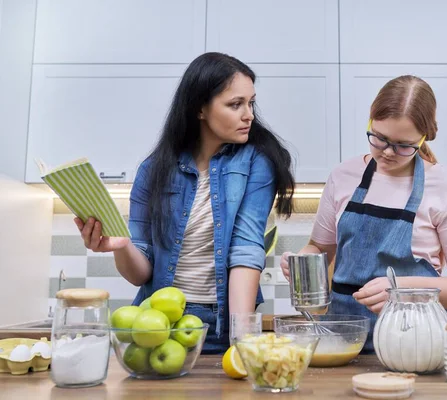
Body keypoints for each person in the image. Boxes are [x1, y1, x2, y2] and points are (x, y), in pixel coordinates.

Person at [75, 52, 295, 354]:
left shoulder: (256, 162)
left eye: (250, 103)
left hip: (221, 324)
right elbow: (140, 273)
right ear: (200, 109)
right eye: (235, 104)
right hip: (157, 324)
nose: (249, 115)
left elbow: (246, 250)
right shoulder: (153, 170)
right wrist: (121, 245)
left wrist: (241, 340)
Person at [280, 75, 447, 353]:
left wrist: (401, 290)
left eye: (403, 146)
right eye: (379, 138)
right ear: (370, 122)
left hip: (416, 345)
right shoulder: (343, 176)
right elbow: (319, 247)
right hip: (342, 340)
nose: (387, 152)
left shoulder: (444, 187)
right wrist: (302, 262)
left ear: (424, 137)